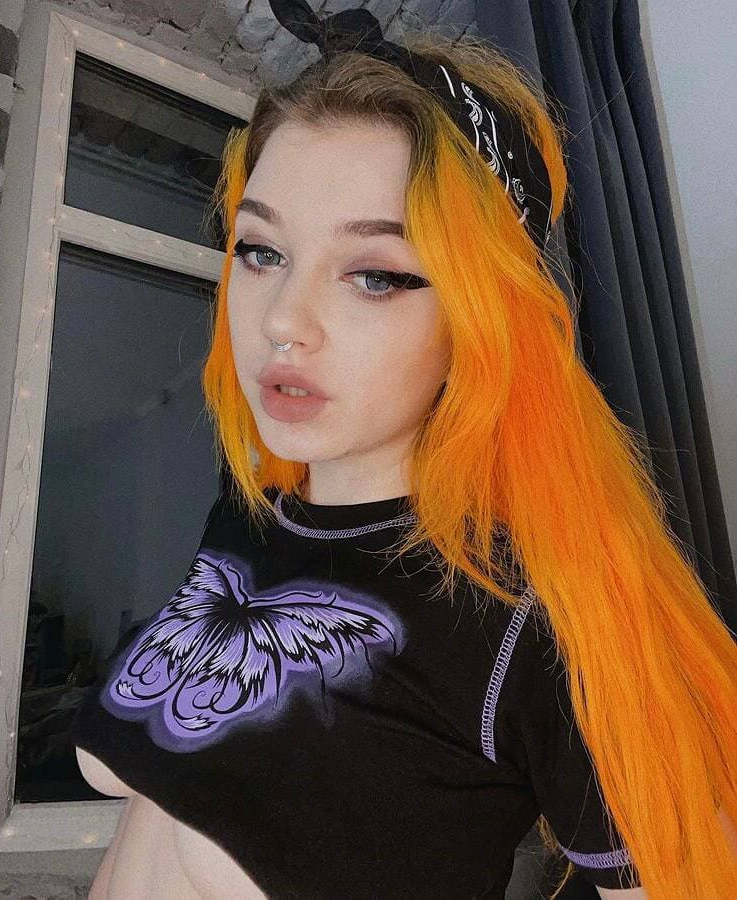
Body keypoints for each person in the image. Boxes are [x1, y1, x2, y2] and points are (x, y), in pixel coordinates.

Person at [71, 3, 737, 899]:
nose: (283, 322)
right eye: (261, 251)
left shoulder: (528, 619)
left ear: (481, 316)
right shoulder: (250, 511)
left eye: (375, 275)